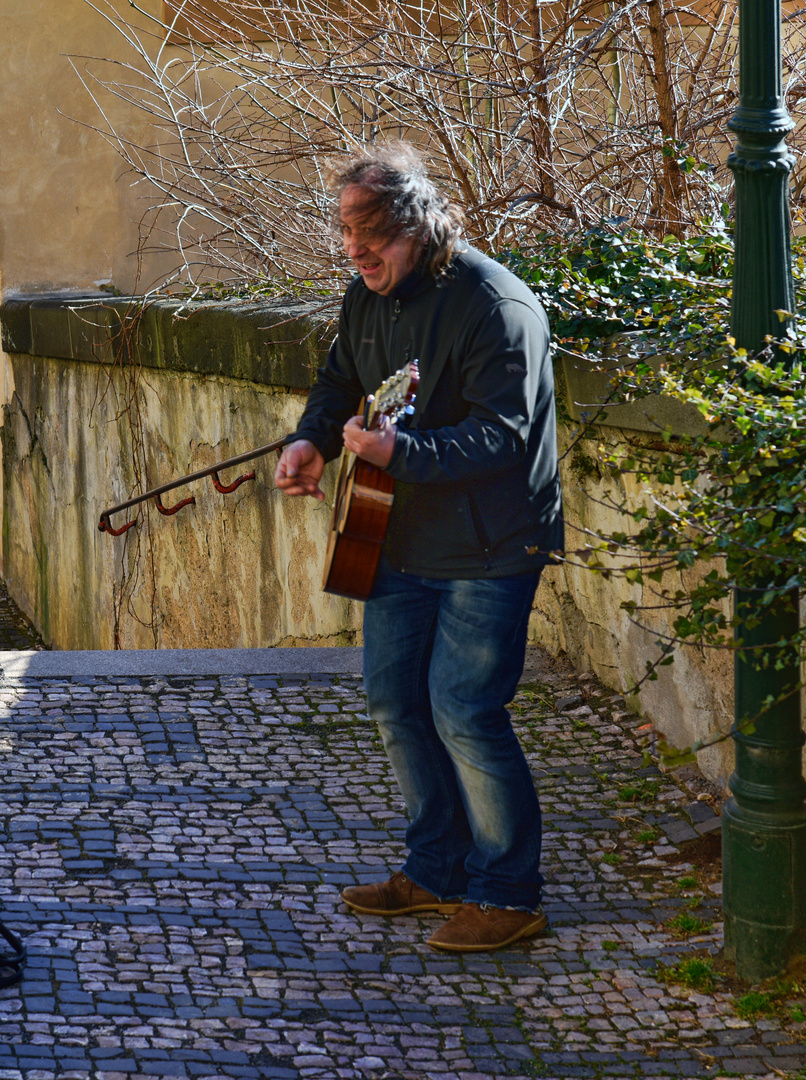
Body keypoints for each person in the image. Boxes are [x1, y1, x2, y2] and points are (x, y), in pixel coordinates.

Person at [274, 142, 564, 953]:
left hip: (491, 544)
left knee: (465, 711)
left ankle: (509, 893)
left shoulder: (494, 307)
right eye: (346, 230)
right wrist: (313, 444)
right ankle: (436, 870)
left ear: (421, 226)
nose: (355, 248)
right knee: (396, 704)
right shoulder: (367, 296)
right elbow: (340, 384)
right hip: (396, 537)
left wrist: (401, 457)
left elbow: (502, 438)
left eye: (373, 233)